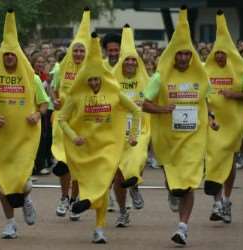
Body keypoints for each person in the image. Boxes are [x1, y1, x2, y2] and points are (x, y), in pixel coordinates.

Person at [142, 7, 219, 246]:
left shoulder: (201, 75)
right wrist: (162, 109)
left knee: (188, 182)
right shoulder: (159, 77)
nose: (184, 58)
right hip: (168, 138)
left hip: (193, 137)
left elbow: (205, 100)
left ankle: (182, 227)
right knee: (174, 182)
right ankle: (171, 189)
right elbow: (144, 103)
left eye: (187, 54)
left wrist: (213, 118)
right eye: (180, 55)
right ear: (173, 55)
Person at [0, 9, 49, 239]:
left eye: (12, 55)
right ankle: (10, 223)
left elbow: (44, 104)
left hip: (25, 139)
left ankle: (26, 199)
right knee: (4, 184)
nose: (8, 59)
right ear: (0, 57)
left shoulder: (33, 79)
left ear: (19, 56)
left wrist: (37, 115)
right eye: (5, 55)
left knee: (22, 182)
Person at [60, 32, 140, 244]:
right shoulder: (76, 96)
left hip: (108, 148)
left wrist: (133, 136)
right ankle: (86, 200)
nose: (95, 82)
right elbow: (62, 119)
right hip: (85, 149)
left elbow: (137, 112)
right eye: (91, 79)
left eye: (98, 79)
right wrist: (73, 136)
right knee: (92, 182)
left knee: (104, 183)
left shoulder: (114, 94)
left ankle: (98, 227)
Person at [204, 10, 243, 224]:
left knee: (229, 161)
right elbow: (200, 94)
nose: (219, 56)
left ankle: (226, 199)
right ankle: (217, 203)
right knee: (213, 159)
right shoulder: (206, 69)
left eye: (223, 53)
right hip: (213, 123)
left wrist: (233, 94)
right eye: (216, 53)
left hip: (234, 124)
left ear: (229, 53)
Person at [50, 7, 90, 221]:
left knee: (77, 165)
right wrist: (55, 100)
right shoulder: (60, 69)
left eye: (82, 50)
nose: (78, 54)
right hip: (62, 122)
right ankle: (64, 197)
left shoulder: (92, 70)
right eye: (75, 50)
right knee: (64, 162)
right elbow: (54, 89)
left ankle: (75, 199)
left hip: (83, 123)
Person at [112, 24, 151, 227]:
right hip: (117, 131)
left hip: (140, 129)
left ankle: (135, 183)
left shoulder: (146, 80)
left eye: (132, 60)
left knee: (138, 158)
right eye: (126, 59)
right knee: (118, 173)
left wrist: (143, 104)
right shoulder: (111, 79)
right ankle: (121, 210)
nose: (129, 62)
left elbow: (154, 102)